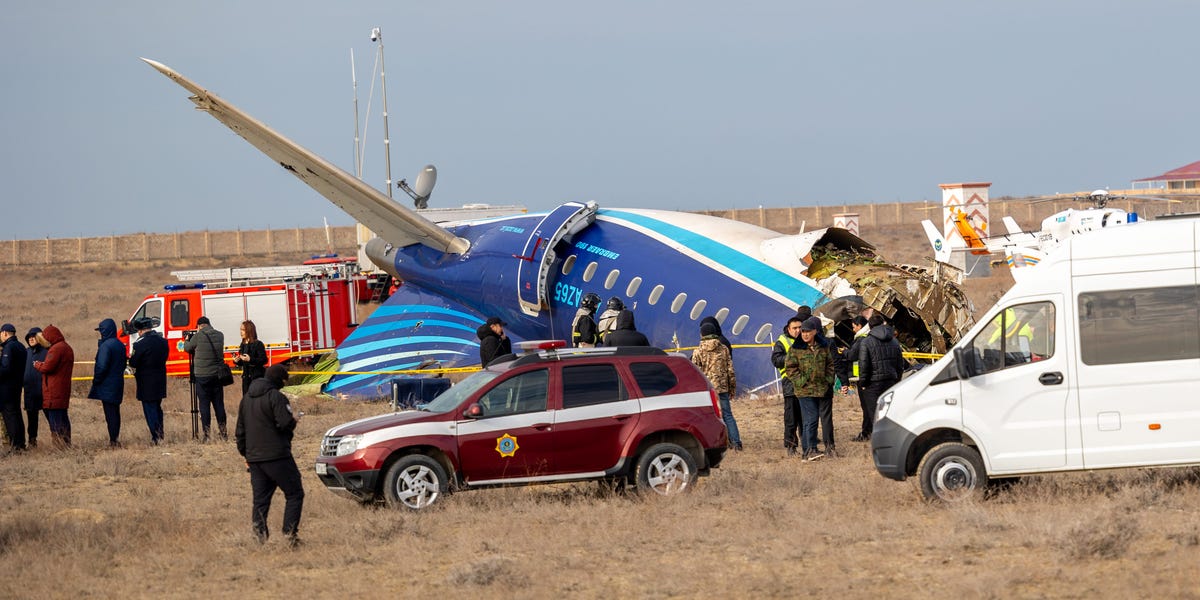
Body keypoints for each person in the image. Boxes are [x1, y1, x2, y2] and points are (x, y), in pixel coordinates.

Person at [236, 364, 304, 547]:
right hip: (278, 456)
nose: (284, 383)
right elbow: (284, 424)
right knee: (295, 493)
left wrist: (246, 455)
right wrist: (294, 420)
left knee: (260, 501)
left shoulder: (246, 399)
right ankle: (289, 535)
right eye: (284, 380)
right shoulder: (277, 397)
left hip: (255, 459)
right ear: (279, 380)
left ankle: (259, 538)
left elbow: (240, 432)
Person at [783, 317, 834, 461]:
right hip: (804, 391)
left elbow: (830, 364)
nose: (804, 334)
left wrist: (829, 379)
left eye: (807, 332)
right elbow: (790, 368)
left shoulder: (823, 347)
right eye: (803, 332)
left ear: (815, 332)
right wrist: (801, 381)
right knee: (810, 419)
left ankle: (809, 450)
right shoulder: (796, 349)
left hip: (820, 389)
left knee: (811, 420)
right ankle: (809, 450)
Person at [857, 313, 907, 440]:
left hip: (872, 384)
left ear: (870, 326)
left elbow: (863, 365)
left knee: (874, 415)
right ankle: (892, 440)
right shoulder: (894, 341)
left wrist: (863, 384)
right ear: (883, 324)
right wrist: (897, 380)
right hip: (890, 381)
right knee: (889, 413)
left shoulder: (866, 342)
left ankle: (880, 442)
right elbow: (900, 364)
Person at [692, 321, 740, 450]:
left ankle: (713, 444)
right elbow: (730, 370)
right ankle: (736, 443)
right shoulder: (724, 349)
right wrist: (732, 388)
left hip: (707, 389)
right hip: (723, 387)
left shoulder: (698, 351)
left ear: (702, 334)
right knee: (728, 415)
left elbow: (695, 373)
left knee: (708, 417)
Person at [183, 316, 228, 441]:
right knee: (219, 404)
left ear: (199, 326)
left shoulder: (198, 336)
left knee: (204, 405)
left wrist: (187, 339)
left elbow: (187, 348)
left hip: (202, 376)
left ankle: (206, 435)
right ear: (209, 324)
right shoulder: (220, 335)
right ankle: (223, 433)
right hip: (217, 376)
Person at [807, 316, 844, 457]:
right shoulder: (829, 342)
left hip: (809, 386)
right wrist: (843, 381)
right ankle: (830, 447)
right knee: (826, 417)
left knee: (810, 418)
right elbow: (836, 363)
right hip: (825, 385)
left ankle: (812, 447)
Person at [128, 317, 168, 444]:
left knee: (150, 410)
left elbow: (133, 362)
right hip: (160, 379)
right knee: (157, 407)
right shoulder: (163, 341)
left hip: (146, 381)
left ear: (140, 331)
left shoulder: (140, 344)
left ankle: (156, 437)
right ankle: (160, 434)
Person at [88, 318, 127, 447]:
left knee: (110, 414)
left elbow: (102, 366)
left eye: (101, 331)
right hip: (117, 383)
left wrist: (97, 380)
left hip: (107, 385)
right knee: (115, 412)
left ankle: (113, 441)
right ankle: (115, 438)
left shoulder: (106, 346)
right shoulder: (120, 344)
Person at [33, 325, 74, 447]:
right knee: (63, 417)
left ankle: (59, 445)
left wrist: (38, 365)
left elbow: (47, 367)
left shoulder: (56, 349)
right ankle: (67, 443)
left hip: (54, 390)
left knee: (55, 419)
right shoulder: (67, 347)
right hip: (63, 388)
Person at [771, 317, 804, 456]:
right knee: (791, 418)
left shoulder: (806, 339)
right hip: (790, 384)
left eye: (799, 328)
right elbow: (776, 360)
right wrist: (793, 357)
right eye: (794, 328)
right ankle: (791, 446)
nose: (798, 330)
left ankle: (808, 445)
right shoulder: (782, 342)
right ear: (788, 329)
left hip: (806, 384)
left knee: (806, 418)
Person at [838, 315, 873, 442]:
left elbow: (853, 355)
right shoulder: (868, 337)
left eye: (854, 327)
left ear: (859, 326)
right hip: (866, 375)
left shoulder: (861, 339)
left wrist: (845, 352)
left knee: (866, 407)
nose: (853, 330)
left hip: (861, 376)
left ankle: (866, 432)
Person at [0, 323, 28, 452]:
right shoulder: (21, 346)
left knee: (10, 417)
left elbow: (5, 369)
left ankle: (15, 446)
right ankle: (20, 443)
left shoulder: (8, 347)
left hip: (7, 388)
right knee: (16, 415)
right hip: (17, 385)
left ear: (5, 333)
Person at [22, 328, 46, 448]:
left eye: (33, 336)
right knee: (32, 420)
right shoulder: (25, 352)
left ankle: (59, 441)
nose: (31, 339)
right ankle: (32, 442)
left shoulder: (47, 352)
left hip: (44, 391)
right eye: (29, 337)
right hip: (29, 391)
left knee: (51, 417)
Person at [233, 320, 268, 395]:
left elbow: (264, 360)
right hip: (246, 379)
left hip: (256, 378)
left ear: (249, 330)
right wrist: (237, 361)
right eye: (240, 330)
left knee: (257, 401)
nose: (241, 332)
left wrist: (250, 359)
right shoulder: (242, 344)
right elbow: (243, 362)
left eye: (243, 330)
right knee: (247, 401)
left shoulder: (258, 344)